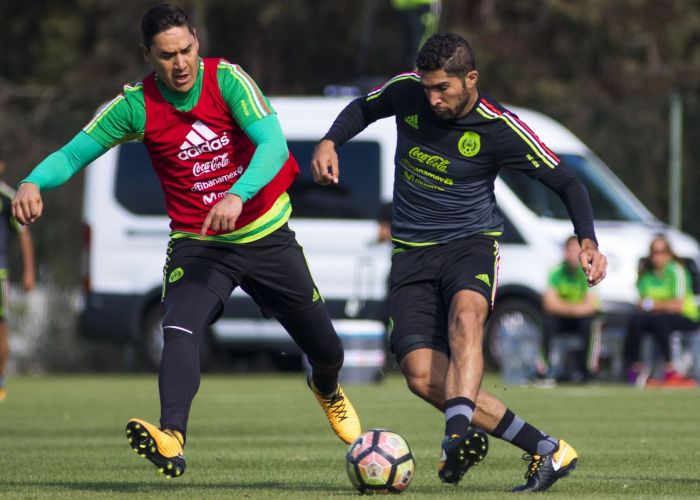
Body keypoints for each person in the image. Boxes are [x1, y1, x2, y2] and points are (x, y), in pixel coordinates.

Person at [11, 3, 360, 478]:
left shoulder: (228, 80)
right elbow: (73, 154)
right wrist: (32, 182)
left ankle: (326, 387)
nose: (180, 64)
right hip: (199, 243)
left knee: (327, 349)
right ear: (148, 55)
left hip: (267, 235)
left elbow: (273, 144)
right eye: (167, 55)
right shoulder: (135, 106)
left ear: (197, 40)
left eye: (187, 50)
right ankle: (171, 438)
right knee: (178, 327)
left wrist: (237, 195)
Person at [311, 32, 607, 492]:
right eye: (427, 88)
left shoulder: (499, 128)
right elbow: (363, 109)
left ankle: (456, 436)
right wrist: (331, 141)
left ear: (471, 79)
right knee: (422, 376)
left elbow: (567, 182)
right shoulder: (408, 89)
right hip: (410, 255)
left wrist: (587, 239)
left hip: (470, 244)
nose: (432, 98)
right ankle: (548, 450)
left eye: (442, 88)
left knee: (467, 321)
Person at [624, 235, 698, 388]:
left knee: (661, 320)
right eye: (654, 252)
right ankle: (636, 367)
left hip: (685, 316)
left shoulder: (677, 271)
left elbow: (677, 304)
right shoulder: (646, 272)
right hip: (656, 316)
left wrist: (653, 304)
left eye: (661, 252)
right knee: (635, 320)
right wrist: (658, 305)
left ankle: (670, 369)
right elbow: (640, 302)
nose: (657, 256)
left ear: (669, 254)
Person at [540, 235, 601, 383]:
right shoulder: (555, 271)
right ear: (565, 252)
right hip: (561, 318)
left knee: (591, 323)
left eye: (576, 251)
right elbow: (548, 303)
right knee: (546, 322)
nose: (573, 255)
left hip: (580, 319)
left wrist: (563, 307)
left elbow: (591, 306)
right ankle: (544, 369)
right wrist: (575, 309)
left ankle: (587, 371)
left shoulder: (589, 271)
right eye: (570, 250)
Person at [0, 159, 36, 402]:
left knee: (1, 330)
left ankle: (0, 381)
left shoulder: (7, 197)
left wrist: (29, 271)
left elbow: (23, 234)